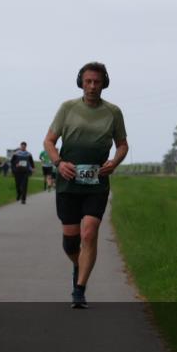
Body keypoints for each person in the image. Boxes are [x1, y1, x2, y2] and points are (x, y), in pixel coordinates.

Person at [43, 62, 128, 309]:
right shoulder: (67, 108)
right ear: (81, 82)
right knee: (71, 242)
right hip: (69, 181)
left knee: (89, 232)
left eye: (97, 82)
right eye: (88, 81)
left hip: (96, 182)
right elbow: (49, 141)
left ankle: (79, 290)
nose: (92, 86)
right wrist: (58, 163)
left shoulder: (113, 112)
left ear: (104, 84)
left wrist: (115, 161)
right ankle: (79, 264)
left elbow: (122, 144)